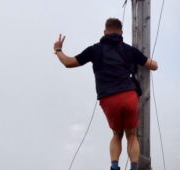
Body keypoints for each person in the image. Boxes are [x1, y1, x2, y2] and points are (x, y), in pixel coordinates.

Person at [53, 18, 158, 170]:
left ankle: (114, 166)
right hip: (129, 96)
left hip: (108, 99)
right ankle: (134, 168)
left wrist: (58, 50)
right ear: (121, 32)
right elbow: (153, 66)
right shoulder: (129, 50)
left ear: (104, 32)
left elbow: (69, 63)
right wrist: (151, 62)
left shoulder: (94, 50)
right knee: (132, 135)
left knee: (117, 135)